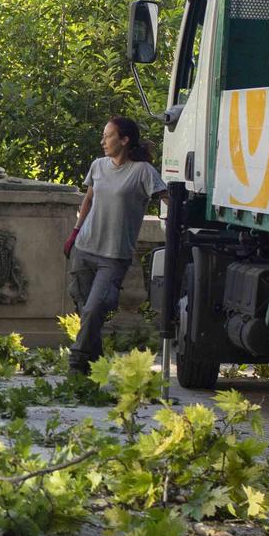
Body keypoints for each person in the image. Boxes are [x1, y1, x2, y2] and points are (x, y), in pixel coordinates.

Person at [64, 116, 167, 376]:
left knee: (95, 309)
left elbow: (168, 198)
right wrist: (74, 233)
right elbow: (88, 200)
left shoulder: (143, 171)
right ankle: (96, 367)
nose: (103, 141)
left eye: (108, 135)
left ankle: (76, 363)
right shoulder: (98, 166)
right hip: (85, 247)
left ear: (124, 140)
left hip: (114, 255)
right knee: (87, 312)